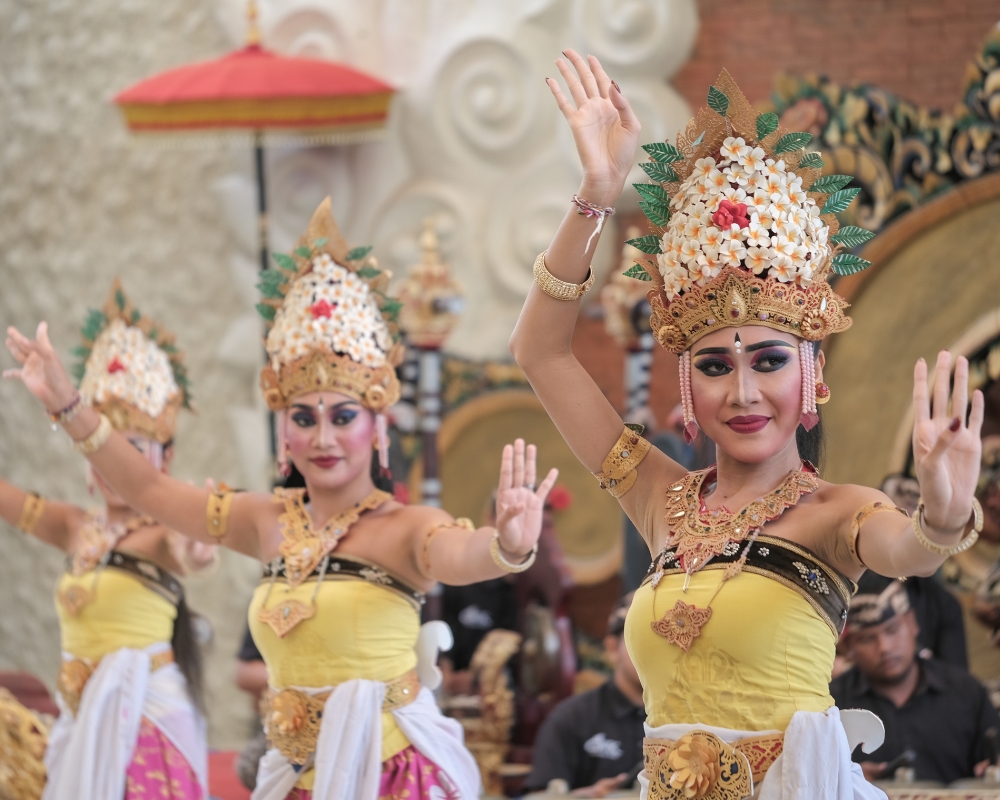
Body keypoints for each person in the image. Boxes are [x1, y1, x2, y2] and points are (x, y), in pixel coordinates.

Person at [509, 51, 985, 799]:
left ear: (811, 374)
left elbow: (912, 551)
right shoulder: (657, 496)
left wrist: (947, 514)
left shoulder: (839, 513)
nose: (743, 393)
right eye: (713, 367)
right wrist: (598, 194)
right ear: (685, 384)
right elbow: (539, 351)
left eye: (768, 362)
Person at [4, 198, 560, 800]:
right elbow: (145, 487)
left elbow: (464, 555)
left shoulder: (406, 528)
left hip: (392, 779)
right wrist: (66, 406)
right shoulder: (263, 521)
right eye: (303, 417)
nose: (322, 438)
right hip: (294, 780)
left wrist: (506, 544)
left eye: (343, 416)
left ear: (376, 428)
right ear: (283, 432)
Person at [0, 280, 216, 800]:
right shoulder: (77, 527)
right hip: (79, 716)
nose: (116, 465)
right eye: (105, 451)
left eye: (134, 450)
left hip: (150, 725)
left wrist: (198, 546)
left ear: (164, 460)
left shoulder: (164, 534)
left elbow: (190, 552)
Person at [831, 575, 1000, 784]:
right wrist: (846, 780)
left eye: (892, 630)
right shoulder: (832, 706)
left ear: (912, 623)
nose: (885, 647)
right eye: (867, 638)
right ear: (848, 647)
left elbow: (994, 759)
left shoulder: (967, 693)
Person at [525, 592, 645, 797]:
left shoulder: (689, 719)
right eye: (642, 641)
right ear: (613, 648)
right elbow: (538, 795)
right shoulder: (571, 718)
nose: (655, 654)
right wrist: (587, 796)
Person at [878, 473, 967, 667]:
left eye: (915, 512)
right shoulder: (848, 580)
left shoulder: (944, 604)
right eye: (897, 512)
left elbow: (957, 682)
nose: (907, 521)